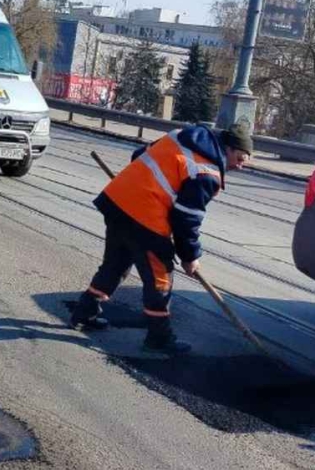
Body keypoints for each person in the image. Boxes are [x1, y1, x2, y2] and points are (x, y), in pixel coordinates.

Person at [68, 124, 254, 354]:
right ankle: (159, 338)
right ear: (227, 148)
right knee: (160, 279)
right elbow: (187, 219)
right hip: (144, 218)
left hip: (118, 202)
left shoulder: (180, 136)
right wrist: (190, 257)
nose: (240, 165)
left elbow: (139, 155)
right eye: (239, 158)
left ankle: (84, 313)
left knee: (115, 264)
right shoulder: (206, 173)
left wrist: (144, 185)